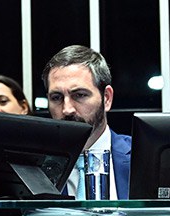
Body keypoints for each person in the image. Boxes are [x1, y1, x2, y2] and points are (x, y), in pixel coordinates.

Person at [42, 45, 130, 201]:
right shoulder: (35, 165)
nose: (67, 109)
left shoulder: (141, 157)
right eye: (56, 97)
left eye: (80, 95)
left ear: (107, 98)